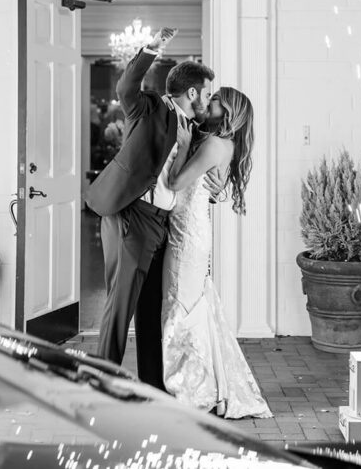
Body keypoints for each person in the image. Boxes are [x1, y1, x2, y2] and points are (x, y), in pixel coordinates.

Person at [84, 26, 221, 390]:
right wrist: (151, 49)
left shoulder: (195, 128)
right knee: (120, 305)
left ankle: (151, 386)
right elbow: (125, 88)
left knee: (149, 311)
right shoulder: (149, 109)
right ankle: (99, 385)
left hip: (162, 224)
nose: (209, 100)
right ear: (192, 92)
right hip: (132, 216)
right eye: (206, 94)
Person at [161, 87, 272, 418]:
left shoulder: (212, 145)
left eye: (214, 101)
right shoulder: (224, 144)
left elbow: (177, 182)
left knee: (180, 306)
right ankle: (199, 383)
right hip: (191, 229)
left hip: (188, 236)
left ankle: (192, 388)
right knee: (190, 304)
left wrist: (181, 146)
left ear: (227, 111)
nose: (207, 102)